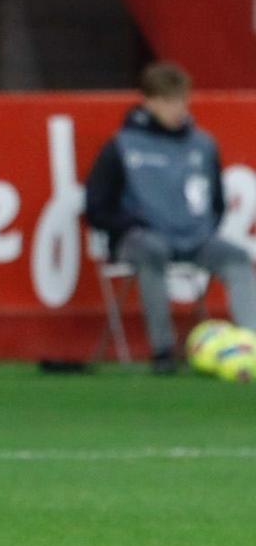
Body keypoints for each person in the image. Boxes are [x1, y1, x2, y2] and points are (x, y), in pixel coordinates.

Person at [84, 61, 256, 374]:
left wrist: (201, 230)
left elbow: (216, 202)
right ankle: (162, 350)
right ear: (148, 102)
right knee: (152, 251)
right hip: (142, 239)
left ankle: (251, 343)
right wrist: (131, 225)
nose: (176, 109)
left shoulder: (202, 144)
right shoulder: (122, 146)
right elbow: (97, 206)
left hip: (193, 238)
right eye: (167, 101)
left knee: (237, 256)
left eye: (181, 100)